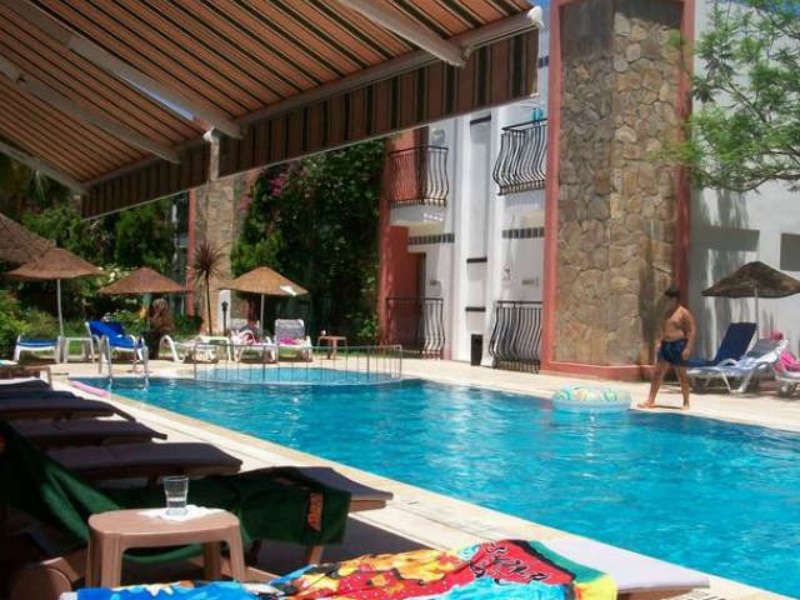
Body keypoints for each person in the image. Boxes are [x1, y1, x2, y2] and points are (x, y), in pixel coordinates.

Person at [638, 285, 696, 410]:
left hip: (678, 345)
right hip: (666, 345)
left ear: (675, 299)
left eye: (669, 299)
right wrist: (659, 342)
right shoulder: (667, 313)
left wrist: (688, 348)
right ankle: (650, 400)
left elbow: (691, 331)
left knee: (681, 375)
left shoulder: (683, 313)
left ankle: (686, 402)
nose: (667, 301)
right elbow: (664, 328)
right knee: (658, 374)